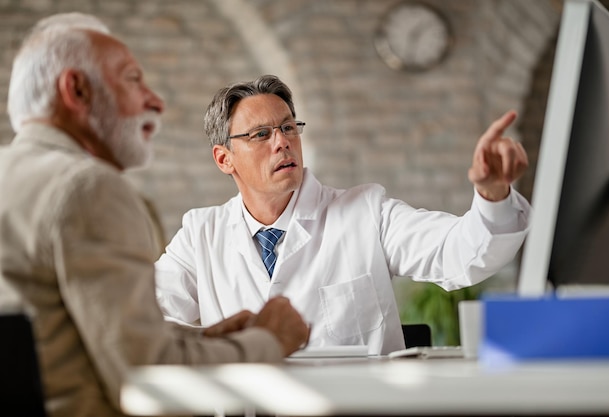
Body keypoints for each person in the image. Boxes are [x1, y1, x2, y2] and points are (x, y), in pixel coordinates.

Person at [0, 13, 309, 417]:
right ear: (76, 89)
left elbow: (70, 331)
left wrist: (202, 339)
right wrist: (270, 340)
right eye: (132, 79)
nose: (155, 101)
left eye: (288, 128)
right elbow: (150, 378)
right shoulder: (88, 189)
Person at [155, 77, 531, 355]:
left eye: (288, 127)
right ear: (224, 159)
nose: (282, 141)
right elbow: (145, 319)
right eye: (260, 134)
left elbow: (460, 253)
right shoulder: (200, 235)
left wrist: (492, 195)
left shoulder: (366, 212)